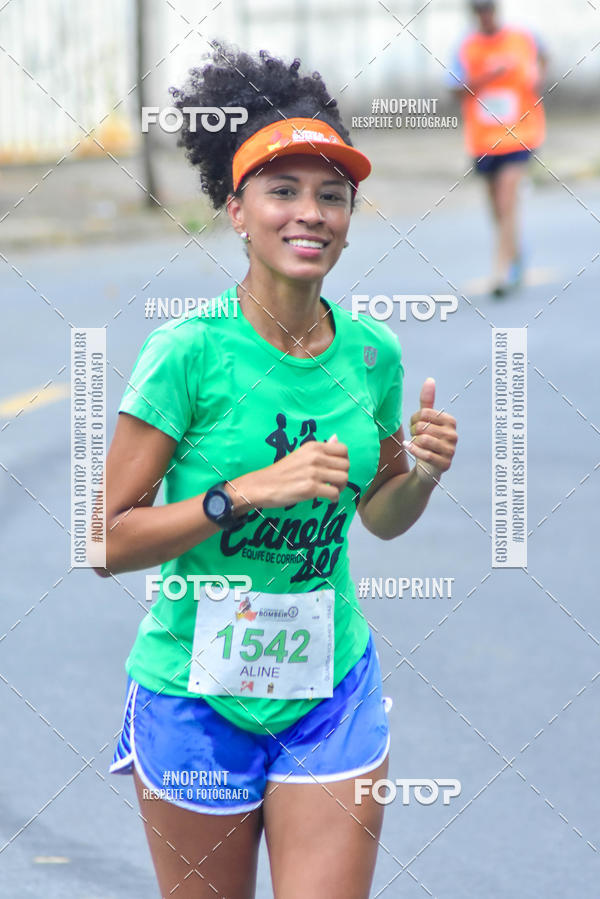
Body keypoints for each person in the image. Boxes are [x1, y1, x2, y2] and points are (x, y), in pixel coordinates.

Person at [99, 42, 458, 899]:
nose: (311, 214)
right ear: (236, 210)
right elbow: (105, 542)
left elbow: (380, 512)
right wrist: (243, 494)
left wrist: (421, 475)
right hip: (195, 698)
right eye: (283, 191)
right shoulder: (186, 353)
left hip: (330, 690)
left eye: (332, 196)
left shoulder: (372, 354)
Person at [447, 0, 548, 296]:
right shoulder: (466, 47)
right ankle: (515, 254)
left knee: (506, 199)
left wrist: (537, 76)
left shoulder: (521, 37)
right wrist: (486, 77)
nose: (485, 16)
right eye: (479, 11)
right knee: (496, 206)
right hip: (484, 140)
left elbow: (543, 56)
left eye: (488, 9)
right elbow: (454, 89)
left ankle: (500, 273)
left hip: (521, 134)